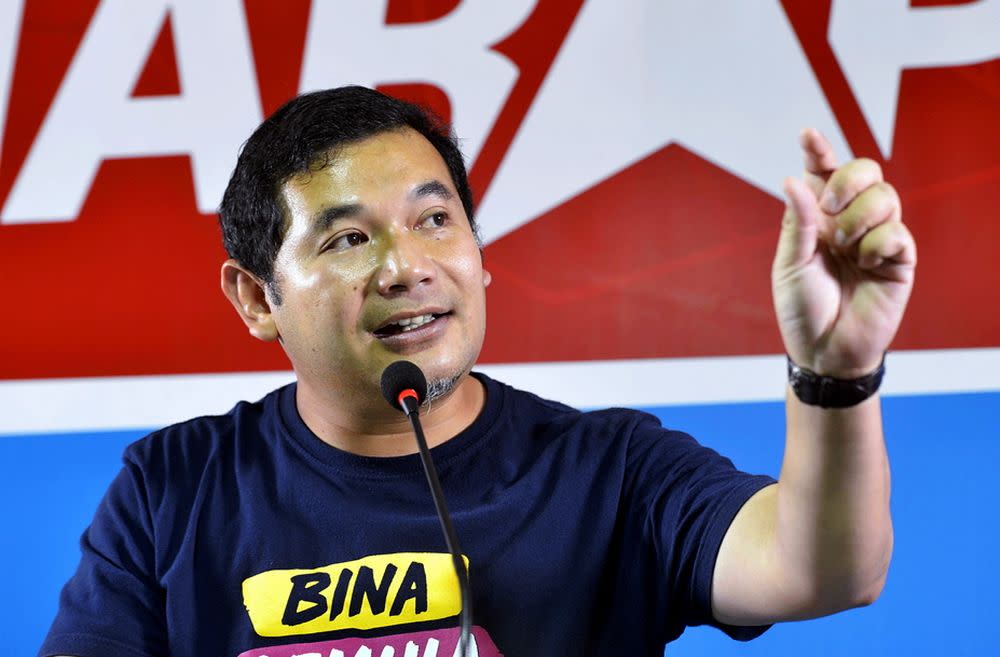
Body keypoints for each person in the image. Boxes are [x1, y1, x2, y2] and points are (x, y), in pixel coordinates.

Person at [39, 86, 916, 657]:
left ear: (479, 253)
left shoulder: (610, 468)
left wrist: (835, 371)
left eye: (434, 220)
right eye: (348, 239)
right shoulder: (173, 487)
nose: (405, 266)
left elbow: (827, 569)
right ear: (257, 299)